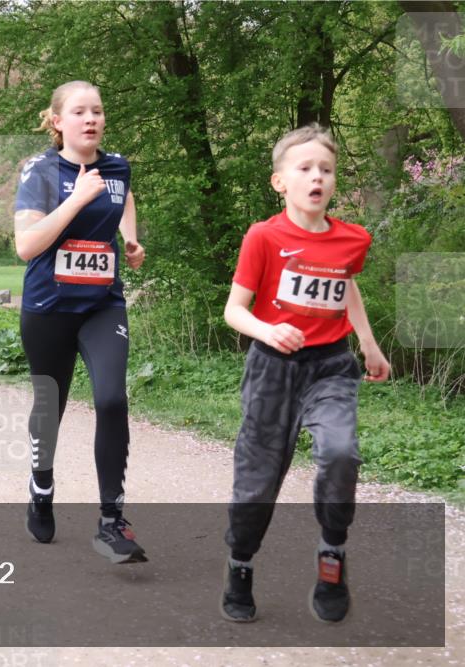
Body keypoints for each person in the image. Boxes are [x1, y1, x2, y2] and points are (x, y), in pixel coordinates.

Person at [219, 124, 390, 624]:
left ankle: (331, 555)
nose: (317, 176)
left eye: (326, 169)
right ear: (280, 182)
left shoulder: (352, 239)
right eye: (305, 168)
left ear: (334, 181)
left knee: (340, 453)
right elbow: (235, 309)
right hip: (272, 371)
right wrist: (267, 331)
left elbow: (345, 286)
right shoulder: (264, 237)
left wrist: (368, 342)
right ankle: (240, 563)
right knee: (258, 481)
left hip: (331, 368)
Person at [13, 81, 147, 562]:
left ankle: (112, 520)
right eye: (79, 112)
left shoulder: (117, 167)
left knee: (111, 399)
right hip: (49, 308)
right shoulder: (40, 172)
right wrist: (76, 199)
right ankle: (41, 485)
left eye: (97, 111)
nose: (91, 119)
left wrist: (130, 239)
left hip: (102, 305)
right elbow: (26, 246)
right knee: (50, 408)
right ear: (57, 122)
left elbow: (124, 196)